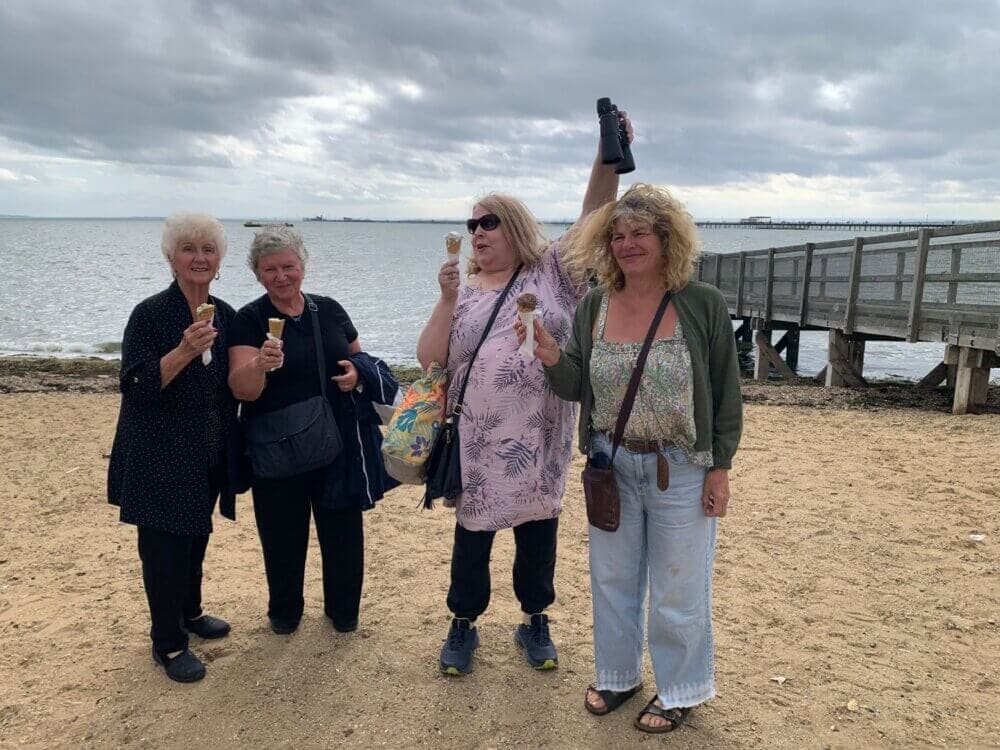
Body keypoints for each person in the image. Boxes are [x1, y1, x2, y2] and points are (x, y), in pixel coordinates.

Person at [416, 113, 634, 676]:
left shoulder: (552, 273)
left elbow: (594, 218)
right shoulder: (462, 291)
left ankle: (534, 619)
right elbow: (430, 359)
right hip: (479, 441)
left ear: (514, 226)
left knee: (538, 533)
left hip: (539, 436)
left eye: (488, 222)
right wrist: (444, 299)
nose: (477, 233)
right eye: (471, 225)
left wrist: (606, 153)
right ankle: (463, 624)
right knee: (473, 536)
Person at [520, 183, 743, 734]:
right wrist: (550, 356)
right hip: (611, 465)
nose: (627, 244)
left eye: (640, 233)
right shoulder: (595, 303)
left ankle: (680, 689)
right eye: (617, 235)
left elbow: (725, 390)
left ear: (667, 239)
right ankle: (619, 676)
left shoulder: (702, 303)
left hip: (683, 467)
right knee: (612, 581)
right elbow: (576, 383)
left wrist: (721, 466)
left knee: (679, 586)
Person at [228, 227, 398, 636]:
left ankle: (344, 613)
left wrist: (357, 373)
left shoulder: (330, 310)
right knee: (282, 537)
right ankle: (285, 612)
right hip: (275, 446)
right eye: (270, 269)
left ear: (302, 266)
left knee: (342, 532)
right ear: (257, 273)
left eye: (288, 266)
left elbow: (362, 360)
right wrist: (260, 366)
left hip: (335, 441)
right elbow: (241, 389)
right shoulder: (249, 320)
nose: (281, 276)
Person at [108, 212, 247, 683]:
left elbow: (233, 384)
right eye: (189, 249)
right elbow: (135, 386)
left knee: (195, 538)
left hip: (206, 450)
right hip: (157, 453)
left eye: (208, 250)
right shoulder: (150, 314)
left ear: (220, 260)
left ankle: (189, 612)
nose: (200, 258)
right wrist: (184, 350)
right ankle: (167, 643)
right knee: (164, 549)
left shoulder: (225, 314)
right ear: (172, 258)